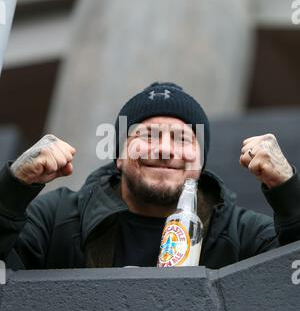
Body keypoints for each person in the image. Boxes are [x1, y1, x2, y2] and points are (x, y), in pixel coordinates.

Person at [0, 82, 300, 270]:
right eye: (147, 135)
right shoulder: (57, 218)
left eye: (183, 139)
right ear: (119, 156)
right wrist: (13, 188)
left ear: (200, 161)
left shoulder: (239, 232)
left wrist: (288, 190)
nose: (165, 150)